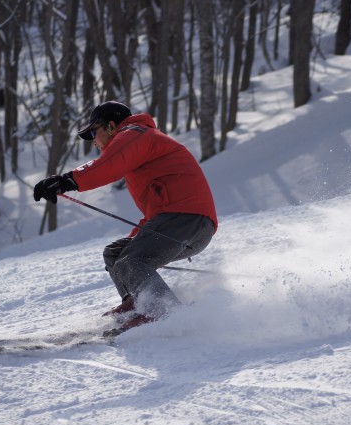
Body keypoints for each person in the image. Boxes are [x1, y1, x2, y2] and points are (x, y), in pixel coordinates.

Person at [33, 101, 217, 331]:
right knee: (117, 254)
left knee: (131, 260)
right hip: (183, 223)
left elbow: (107, 165)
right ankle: (137, 304)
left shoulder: (135, 133)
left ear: (110, 126)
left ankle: (163, 312)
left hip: (187, 219)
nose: (93, 139)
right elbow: (155, 212)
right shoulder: (139, 144)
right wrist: (135, 240)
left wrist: (66, 180)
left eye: (93, 131)